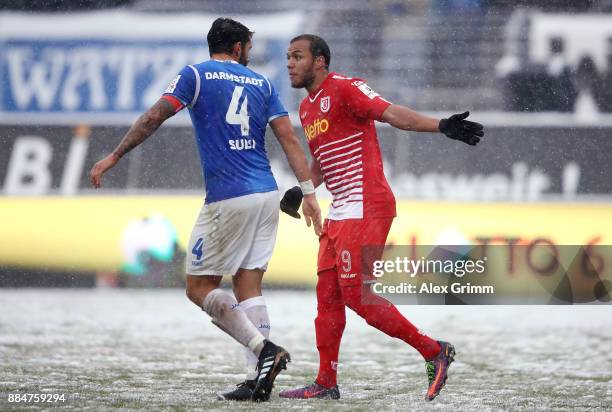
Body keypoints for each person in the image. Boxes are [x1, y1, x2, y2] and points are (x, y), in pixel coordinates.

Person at [89, 18, 322, 402]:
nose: (249, 52)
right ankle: (256, 378)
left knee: (199, 287)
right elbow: (288, 139)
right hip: (267, 195)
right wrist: (309, 192)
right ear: (236, 48)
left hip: (228, 198)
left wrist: (114, 155)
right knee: (249, 285)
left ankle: (265, 352)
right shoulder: (262, 84)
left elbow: (153, 117)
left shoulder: (195, 75)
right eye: (248, 46)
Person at [279, 34, 483, 401]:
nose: (290, 63)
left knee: (359, 297)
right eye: (288, 57)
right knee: (327, 297)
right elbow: (323, 159)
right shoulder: (308, 108)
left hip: (367, 205)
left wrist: (441, 126)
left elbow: (393, 115)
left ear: (320, 61)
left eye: (297, 56)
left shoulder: (347, 88)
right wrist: (304, 188)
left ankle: (434, 351)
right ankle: (325, 382)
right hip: (340, 210)